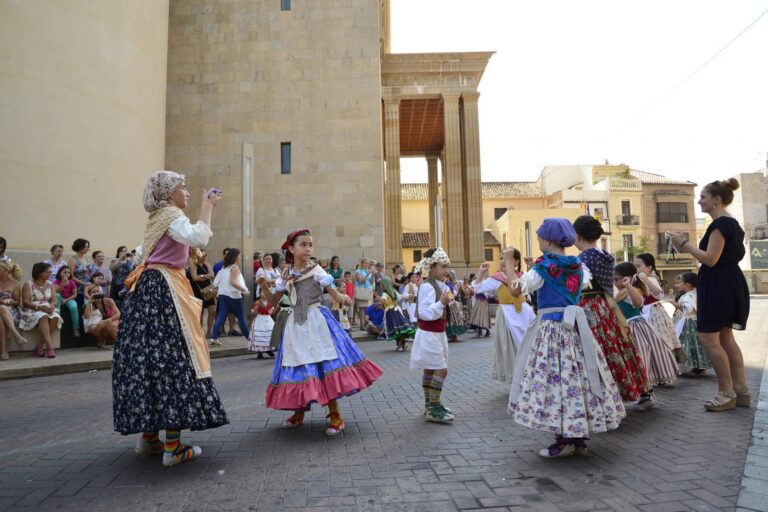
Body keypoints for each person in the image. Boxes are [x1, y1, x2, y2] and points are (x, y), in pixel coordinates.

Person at [112, 170, 228, 467]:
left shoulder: (156, 220)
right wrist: (208, 206)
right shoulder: (172, 216)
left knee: (151, 361)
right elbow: (199, 236)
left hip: (146, 291)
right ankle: (173, 448)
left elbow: (140, 254)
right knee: (177, 358)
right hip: (166, 289)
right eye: (182, 187)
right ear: (168, 194)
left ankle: (149, 438)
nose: (187, 192)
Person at [504, 219, 625, 458]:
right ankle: (576, 437)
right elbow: (583, 285)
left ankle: (566, 439)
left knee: (556, 381)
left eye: (539, 238)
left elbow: (515, 290)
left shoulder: (544, 266)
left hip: (552, 329)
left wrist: (508, 262)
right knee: (577, 379)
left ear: (548, 241)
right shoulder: (578, 265)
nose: (538, 241)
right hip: (575, 330)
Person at [265, 229, 383, 435]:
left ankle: (335, 415)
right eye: (303, 245)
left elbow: (334, 293)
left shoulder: (316, 270)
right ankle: (298, 412)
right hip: (295, 325)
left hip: (316, 322)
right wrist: (264, 288)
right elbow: (274, 301)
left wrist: (344, 298)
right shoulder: (285, 274)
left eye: (310, 245)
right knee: (299, 366)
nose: (308, 249)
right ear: (291, 248)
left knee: (323, 365)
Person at [667, 178, 751, 411]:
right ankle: (741, 391)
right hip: (730, 282)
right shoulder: (731, 223)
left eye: (703, 197)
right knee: (726, 338)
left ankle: (726, 393)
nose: (699, 201)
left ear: (717, 200)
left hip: (718, 285)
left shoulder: (720, 225)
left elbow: (710, 259)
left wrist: (684, 243)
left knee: (708, 338)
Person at [572, 215, 650, 403]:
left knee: (597, 348)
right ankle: (634, 387)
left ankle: (605, 394)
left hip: (588, 305)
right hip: (606, 305)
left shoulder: (581, 259)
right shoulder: (605, 256)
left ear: (577, 235)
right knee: (616, 345)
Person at [614, 262, 678, 404]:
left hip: (636, 329)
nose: (614, 282)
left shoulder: (632, 290)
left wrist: (628, 286)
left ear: (627, 278)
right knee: (635, 361)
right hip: (626, 328)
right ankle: (644, 392)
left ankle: (647, 393)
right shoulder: (620, 293)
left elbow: (638, 303)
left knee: (642, 359)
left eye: (616, 279)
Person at [472, 251, 536, 384]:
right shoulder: (497, 279)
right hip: (508, 315)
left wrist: (532, 265)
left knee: (530, 343)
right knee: (511, 347)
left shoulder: (522, 276)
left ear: (516, 262)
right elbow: (477, 288)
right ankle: (517, 379)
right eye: (501, 258)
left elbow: (536, 282)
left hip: (524, 313)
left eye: (506, 258)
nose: (502, 261)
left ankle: (531, 375)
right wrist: (481, 272)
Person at [410, 248, 455, 423]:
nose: (446, 270)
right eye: (443, 266)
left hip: (437, 333)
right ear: (432, 267)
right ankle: (434, 408)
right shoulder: (427, 286)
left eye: (447, 267)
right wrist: (441, 303)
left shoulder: (440, 285)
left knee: (430, 368)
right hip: (429, 333)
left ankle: (430, 404)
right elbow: (424, 313)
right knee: (441, 369)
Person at [634, 253, 684, 363]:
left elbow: (659, 295)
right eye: (635, 266)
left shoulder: (651, 279)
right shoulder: (636, 279)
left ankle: (663, 362)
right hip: (642, 311)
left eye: (638, 266)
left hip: (653, 312)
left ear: (649, 268)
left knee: (658, 337)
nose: (636, 269)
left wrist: (646, 281)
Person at [20, 262, 62, 358]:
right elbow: (25, 302)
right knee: (43, 316)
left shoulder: (50, 284)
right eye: (48, 271)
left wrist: (52, 305)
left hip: (46, 308)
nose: (50, 273)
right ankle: (49, 347)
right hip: (32, 309)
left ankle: (40, 345)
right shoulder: (28, 284)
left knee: (56, 317)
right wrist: (39, 307)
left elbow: (54, 300)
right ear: (39, 272)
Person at [210, 248, 251, 346]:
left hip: (222, 295)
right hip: (234, 295)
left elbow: (215, 283)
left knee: (221, 316)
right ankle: (250, 339)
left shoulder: (223, 269)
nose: (240, 257)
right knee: (241, 318)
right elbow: (232, 282)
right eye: (240, 255)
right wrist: (244, 290)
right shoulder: (234, 268)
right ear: (235, 257)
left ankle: (214, 338)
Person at [675, 272, 711, 375]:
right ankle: (699, 366)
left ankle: (674, 366)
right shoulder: (696, 293)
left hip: (688, 323)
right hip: (696, 321)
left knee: (682, 343)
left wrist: (675, 304)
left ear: (687, 284)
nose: (678, 284)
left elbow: (687, 309)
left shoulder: (688, 296)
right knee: (696, 345)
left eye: (680, 282)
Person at [0, 261, 28, 359]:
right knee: (2, 307)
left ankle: (4, 351)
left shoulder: (15, 284)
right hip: (3, 309)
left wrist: (11, 301)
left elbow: (17, 303)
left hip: (11, 311)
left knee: (1, 318)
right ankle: (16, 335)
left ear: (7, 271)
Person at [187, 248, 217, 338]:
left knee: (213, 310)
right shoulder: (193, 266)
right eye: (202, 256)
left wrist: (202, 276)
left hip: (208, 290)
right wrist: (207, 276)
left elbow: (212, 275)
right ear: (197, 256)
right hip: (197, 291)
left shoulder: (207, 265)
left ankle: (209, 331)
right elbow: (195, 278)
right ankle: (200, 331)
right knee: (201, 311)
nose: (203, 258)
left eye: (204, 256)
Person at [83, 283, 120, 349]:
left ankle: (118, 342)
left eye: (97, 291)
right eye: (93, 292)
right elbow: (86, 317)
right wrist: (89, 302)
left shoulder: (109, 300)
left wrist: (107, 320)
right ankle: (101, 340)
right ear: (90, 294)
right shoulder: (91, 303)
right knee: (91, 327)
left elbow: (119, 314)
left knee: (107, 323)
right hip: (100, 323)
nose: (96, 293)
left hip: (113, 321)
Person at [54, 266, 81, 337]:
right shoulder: (56, 282)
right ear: (60, 273)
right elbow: (56, 292)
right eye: (64, 272)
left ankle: (75, 328)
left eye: (68, 273)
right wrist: (62, 284)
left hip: (69, 299)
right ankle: (57, 321)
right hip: (59, 299)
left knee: (74, 307)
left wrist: (66, 300)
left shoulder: (72, 282)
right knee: (57, 295)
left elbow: (75, 295)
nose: (66, 274)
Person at [248, 288, 275, 358]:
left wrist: (274, 308)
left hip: (268, 319)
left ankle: (268, 349)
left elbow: (271, 312)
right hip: (259, 319)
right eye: (263, 292)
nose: (264, 294)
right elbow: (253, 312)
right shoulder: (257, 302)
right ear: (260, 293)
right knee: (259, 334)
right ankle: (259, 351)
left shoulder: (269, 302)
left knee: (269, 334)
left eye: (266, 292)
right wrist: (256, 310)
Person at [67, 238, 92, 311]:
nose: (87, 249)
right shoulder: (73, 260)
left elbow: (89, 273)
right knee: (79, 307)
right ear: (80, 246)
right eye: (85, 247)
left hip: (88, 288)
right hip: (77, 288)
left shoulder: (87, 259)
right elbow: (70, 276)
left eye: (88, 247)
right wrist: (83, 283)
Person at [354, 259, 374, 330]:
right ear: (361, 264)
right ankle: (362, 325)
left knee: (367, 308)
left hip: (368, 290)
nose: (366, 265)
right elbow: (361, 281)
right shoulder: (358, 271)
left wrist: (372, 274)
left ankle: (366, 324)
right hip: (361, 291)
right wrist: (368, 273)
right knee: (362, 308)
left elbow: (371, 282)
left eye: (367, 263)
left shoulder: (368, 271)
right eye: (365, 263)